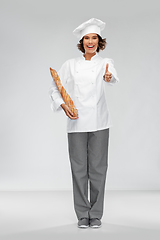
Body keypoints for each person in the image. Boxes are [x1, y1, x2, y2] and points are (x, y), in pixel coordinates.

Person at [49, 18, 119, 228]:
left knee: (98, 168)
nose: (90, 41)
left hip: (99, 122)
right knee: (78, 169)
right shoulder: (70, 65)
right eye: (87, 38)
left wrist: (108, 77)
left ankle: (95, 214)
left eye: (94, 38)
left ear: (99, 41)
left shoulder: (106, 62)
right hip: (76, 122)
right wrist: (63, 105)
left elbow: (112, 77)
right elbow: (55, 87)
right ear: (82, 41)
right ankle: (82, 214)